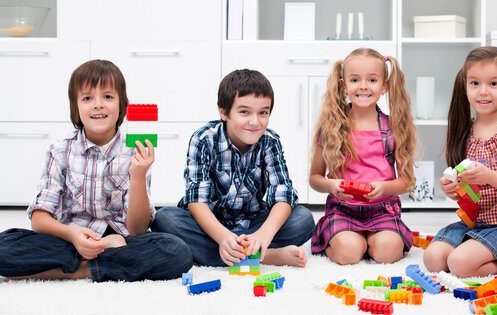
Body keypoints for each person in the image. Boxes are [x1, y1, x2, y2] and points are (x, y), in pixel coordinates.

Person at [0, 60, 192, 281]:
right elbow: (39, 218)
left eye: (108, 97)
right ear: (76, 107)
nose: (98, 104)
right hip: (69, 239)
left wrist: (138, 176)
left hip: (120, 240)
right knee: (5, 245)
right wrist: (72, 235)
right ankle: (91, 264)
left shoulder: (135, 150)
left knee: (177, 251)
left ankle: (77, 272)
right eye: (87, 98)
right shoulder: (59, 150)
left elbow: (138, 230)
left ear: (122, 106)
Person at [151, 69, 315, 267]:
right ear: (223, 112)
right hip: (209, 225)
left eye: (263, 112)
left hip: (252, 223)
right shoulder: (203, 139)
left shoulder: (270, 141)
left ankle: (244, 251)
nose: (255, 122)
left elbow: (283, 193)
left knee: (303, 219)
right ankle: (266, 256)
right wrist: (223, 238)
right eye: (244, 112)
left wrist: (263, 235)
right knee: (165, 218)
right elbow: (196, 201)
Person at [423, 46, 497, 278]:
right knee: (433, 258)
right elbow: (468, 194)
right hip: (476, 224)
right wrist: (453, 190)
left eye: (494, 84)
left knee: (459, 264)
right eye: (475, 83)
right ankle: (480, 254)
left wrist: (489, 176)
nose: (483, 92)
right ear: (465, 86)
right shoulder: (465, 131)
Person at [310, 48, 417, 265]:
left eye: (373, 80)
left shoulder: (393, 128)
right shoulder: (331, 128)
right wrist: (332, 186)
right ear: (343, 85)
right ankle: (347, 241)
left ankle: (370, 241)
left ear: (384, 86)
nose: (364, 86)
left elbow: (407, 182)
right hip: (343, 210)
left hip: (383, 210)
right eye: (355, 80)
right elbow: (315, 178)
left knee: (387, 253)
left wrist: (385, 188)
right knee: (348, 254)